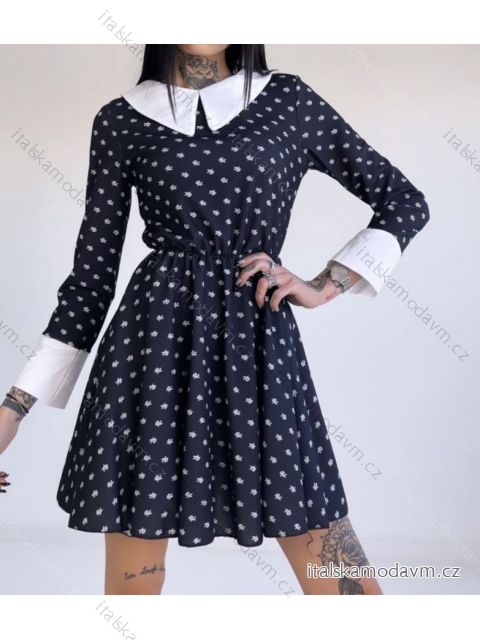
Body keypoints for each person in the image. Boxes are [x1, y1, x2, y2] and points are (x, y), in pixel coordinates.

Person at [0, 44, 430, 595]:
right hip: (151, 356)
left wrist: (325, 286)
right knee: (133, 586)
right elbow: (90, 281)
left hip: (259, 352)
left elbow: (403, 200)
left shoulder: (287, 100)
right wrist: (14, 409)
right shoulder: (122, 119)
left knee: (336, 569)